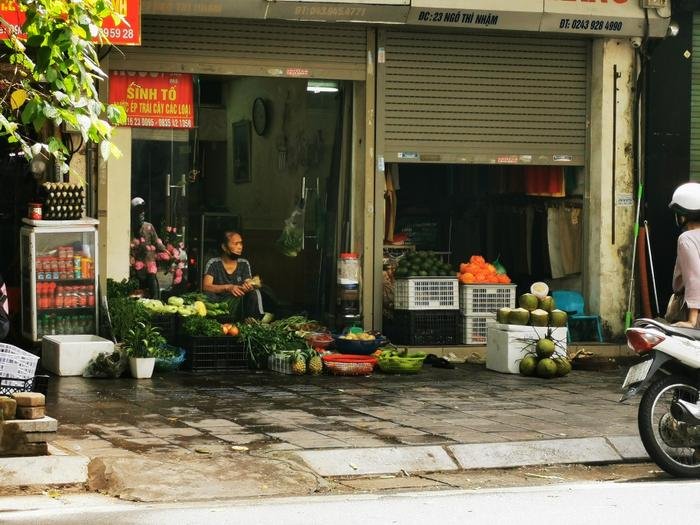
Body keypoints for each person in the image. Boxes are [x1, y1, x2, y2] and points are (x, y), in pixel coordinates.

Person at [202, 230, 263, 319]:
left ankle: (254, 321)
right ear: (224, 247)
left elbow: (248, 281)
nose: (240, 247)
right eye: (236, 244)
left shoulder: (244, 263)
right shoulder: (213, 263)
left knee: (254, 293)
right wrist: (228, 287)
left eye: (241, 244)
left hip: (237, 305)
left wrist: (249, 285)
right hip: (218, 306)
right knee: (207, 295)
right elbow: (206, 286)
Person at [667, 182, 700, 328]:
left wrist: (691, 321)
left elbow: (694, 278)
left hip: (695, 311)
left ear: (683, 215)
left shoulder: (687, 238)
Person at [129, 197, 169, 299]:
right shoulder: (130, 228)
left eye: (143, 211)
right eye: (138, 211)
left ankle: (156, 301)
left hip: (149, 265)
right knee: (138, 292)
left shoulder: (149, 227)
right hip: (135, 267)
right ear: (133, 213)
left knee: (153, 289)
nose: (142, 214)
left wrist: (166, 251)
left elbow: (156, 242)